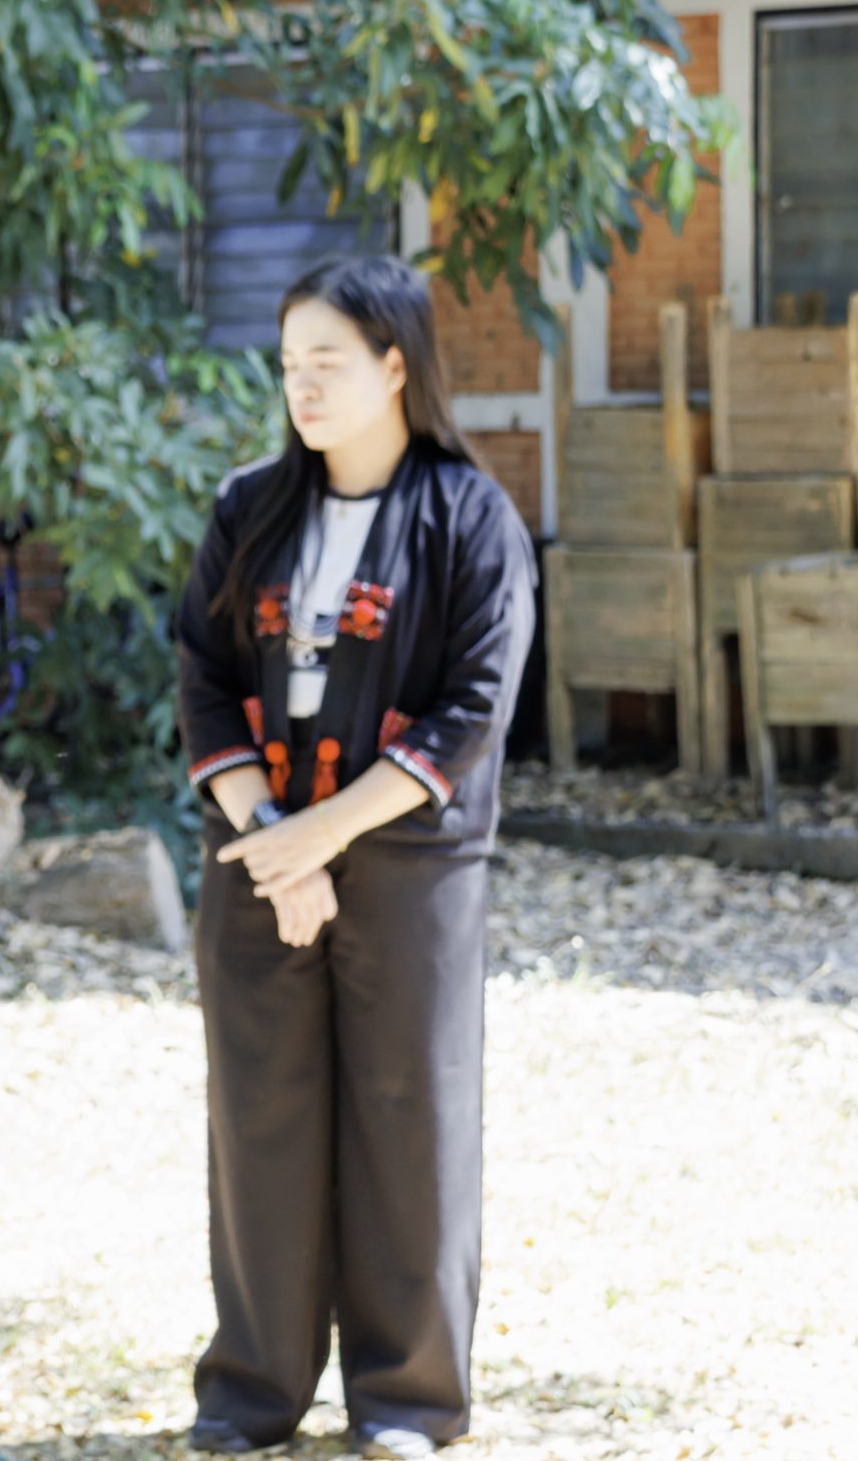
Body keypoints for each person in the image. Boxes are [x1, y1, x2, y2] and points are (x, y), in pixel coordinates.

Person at [171, 256, 538, 1459]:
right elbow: (204, 676)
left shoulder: (469, 517)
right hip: (256, 860)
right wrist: (272, 845)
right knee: (258, 1117)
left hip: (407, 869)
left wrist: (317, 839)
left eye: (327, 361)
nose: (303, 386)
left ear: (394, 365)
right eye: (289, 364)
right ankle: (251, 1390)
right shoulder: (249, 508)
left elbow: (471, 707)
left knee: (409, 1117)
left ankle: (406, 1399)